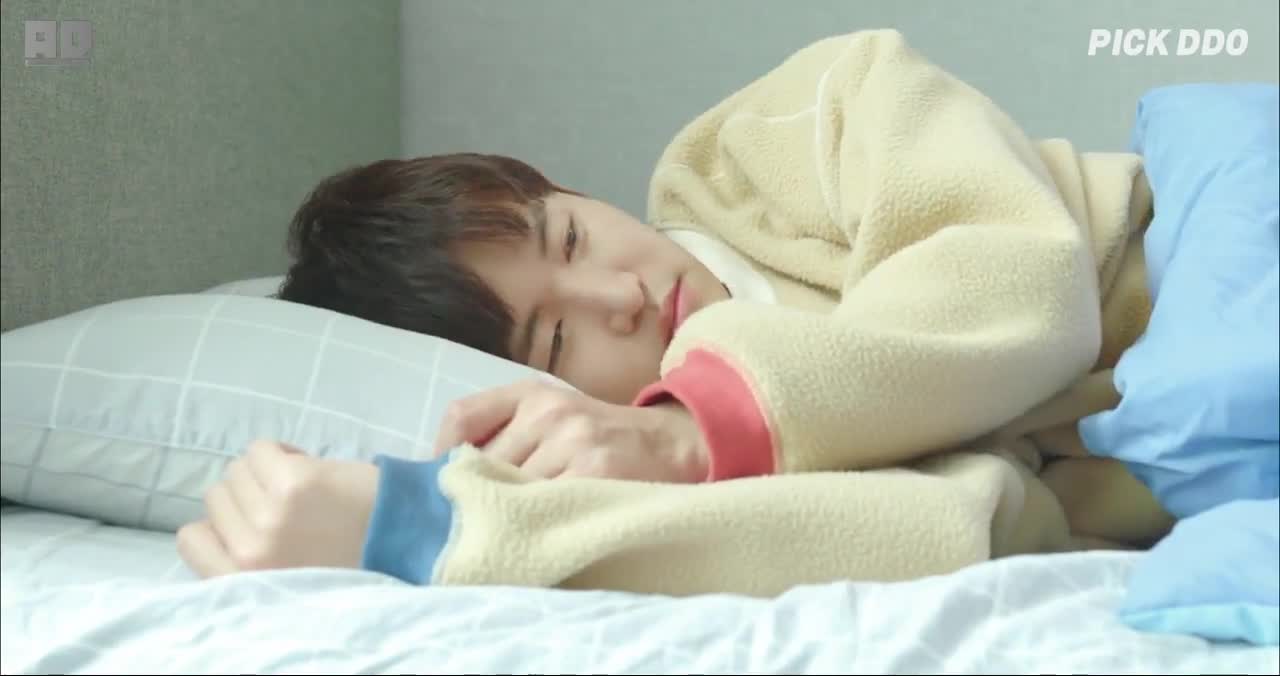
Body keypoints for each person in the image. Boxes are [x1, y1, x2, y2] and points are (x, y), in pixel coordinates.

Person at [176, 29, 1176, 596]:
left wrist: (701, 425)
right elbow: (969, 523)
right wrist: (425, 527)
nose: (623, 295)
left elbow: (1014, 269)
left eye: (571, 237)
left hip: (1203, 250)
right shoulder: (660, 456)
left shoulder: (775, 138)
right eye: (556, 339)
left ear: (570, 189)